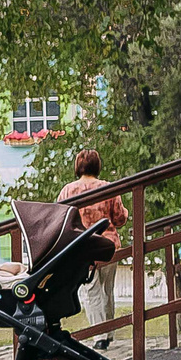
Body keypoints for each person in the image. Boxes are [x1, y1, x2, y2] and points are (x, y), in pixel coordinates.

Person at [58, 147, 128, 344]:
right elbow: (120, 218)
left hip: (82, 247)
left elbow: (61, 219)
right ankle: (109, 331)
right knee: (107, 290)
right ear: (97, 166)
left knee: (91, 290)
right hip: (108, 245)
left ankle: (100, 335)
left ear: (78, 166)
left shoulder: (68, 191)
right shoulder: (108, 187)